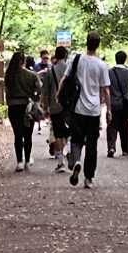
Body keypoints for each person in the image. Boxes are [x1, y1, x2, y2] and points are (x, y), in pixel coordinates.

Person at [65, 32, 113, 188]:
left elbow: (65, 79)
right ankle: (88, 178)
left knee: (76, 139)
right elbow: (106, 90)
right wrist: (109, 110)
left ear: (86, 42)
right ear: (98, 45)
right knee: (92, 144)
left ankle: (76, 160)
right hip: (94, 110)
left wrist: (59, 97)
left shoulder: (75, 59)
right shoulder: (101, 65)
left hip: (78, 108)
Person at [5, 49, 40, 170]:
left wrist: (9, 102)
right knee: (28, 135)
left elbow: (7, 93)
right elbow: (39, 89)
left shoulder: (9, 75)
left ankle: (19, 161)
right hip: (27, 107)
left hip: (13, 107)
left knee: (18, 134)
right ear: (23, 61)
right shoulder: (32, 75)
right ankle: (27, 160)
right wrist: (34, 98)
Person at [44, 44, 73, 172]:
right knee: (69, 132)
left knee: (58, 134)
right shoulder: (71, 71)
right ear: (66, 55)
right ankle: (70, 151)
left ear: (56, 56)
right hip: (70, 107)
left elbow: (45, 92)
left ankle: (61, 162)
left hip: (55, 107)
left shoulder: (50, 72)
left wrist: (45, 108)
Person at [107, 48, 128, 159]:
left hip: (113, 103)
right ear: (124, 60)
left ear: (115, 59)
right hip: (125, 104)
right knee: (124, 126)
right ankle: (125, 150)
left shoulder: (109, 72)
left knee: (112, 125)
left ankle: (111, 147)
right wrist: (126, 66)